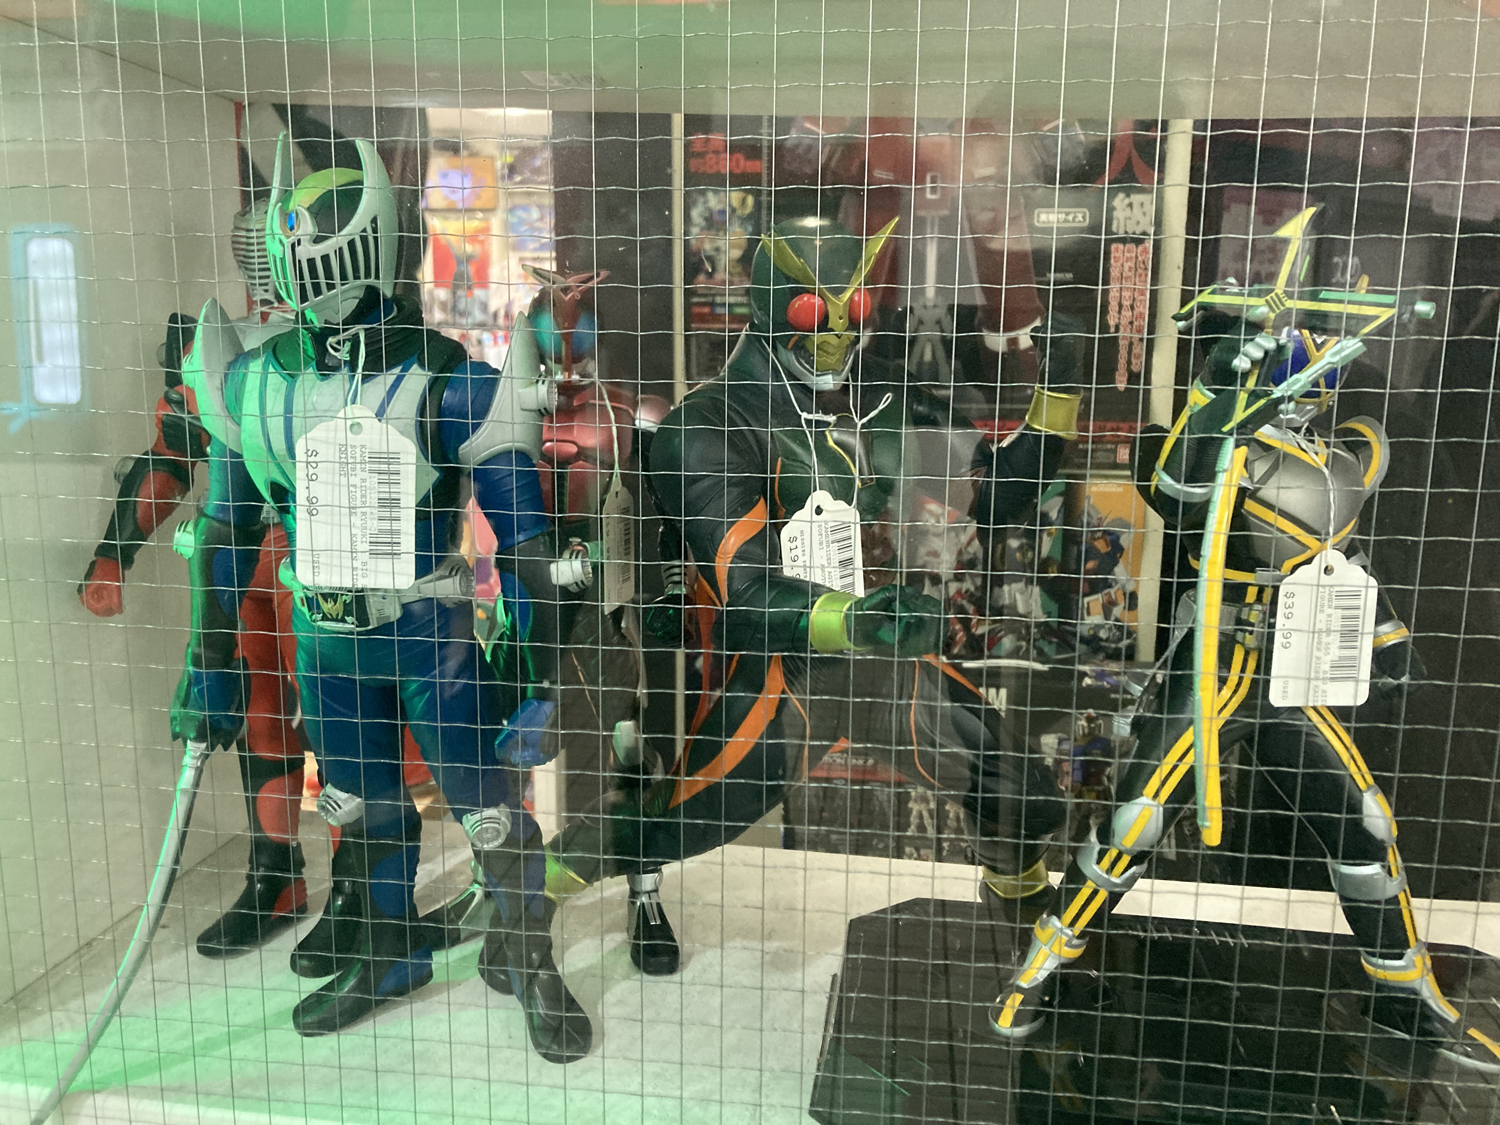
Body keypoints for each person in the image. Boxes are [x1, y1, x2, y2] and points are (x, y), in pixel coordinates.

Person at [541, 217, 1081, 1040]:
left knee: (1018, 795)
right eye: (809, 312)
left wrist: (1057, 396)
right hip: (772, 671)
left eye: (852, 309)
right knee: (661, 824)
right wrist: (858, 618)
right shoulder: (709, 423)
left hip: (871, 658)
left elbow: (995, 493)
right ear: (769, 305)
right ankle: (516, 924)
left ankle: (1035, 959)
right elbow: (749, 590)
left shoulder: (879, 402)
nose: (833, 333)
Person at [988, 212, 1500, 1072]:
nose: (1311, 381)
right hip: (1212, 672)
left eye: (1321, 366)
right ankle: (1033, 976)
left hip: (1289, 675)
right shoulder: (1221, 449)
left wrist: (1389, 643)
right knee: (1132, 825)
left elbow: (1342, 563)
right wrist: (1216, 397)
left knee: (1365, 823)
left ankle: (1404, 992)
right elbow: (1177, 489)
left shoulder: (1342, 459)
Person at [174, 134, 590, 1062]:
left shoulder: (448, 379)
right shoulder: (256, 382)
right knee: (359, 807)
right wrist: (210, 660)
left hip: (428, 633)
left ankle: (526, 955)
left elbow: (527, 547)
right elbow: (227, 531)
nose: (306, 261)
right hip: (328, 642)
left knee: (486, 807)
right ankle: (387, 953)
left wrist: (542, 682)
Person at [80, 203, 314, 959]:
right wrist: (115, 554)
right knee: (260, 715)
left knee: (345, 722)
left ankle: (368, 898)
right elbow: (174, 452)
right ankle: (276, 877)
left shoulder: (345, 343)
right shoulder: (214, 346)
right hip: (237, 551)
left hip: (324, 557)